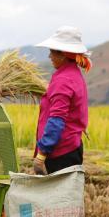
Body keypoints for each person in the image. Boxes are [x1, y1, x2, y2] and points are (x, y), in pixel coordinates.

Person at [33, 26, 91, 175]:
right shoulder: (73, 74)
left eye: (52, 52)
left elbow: (56, 120)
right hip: (71, 148)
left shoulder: (63, 80)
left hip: (60, 153)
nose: (49, 56)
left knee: (57, 197)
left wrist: (41, 155)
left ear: (64, 54)